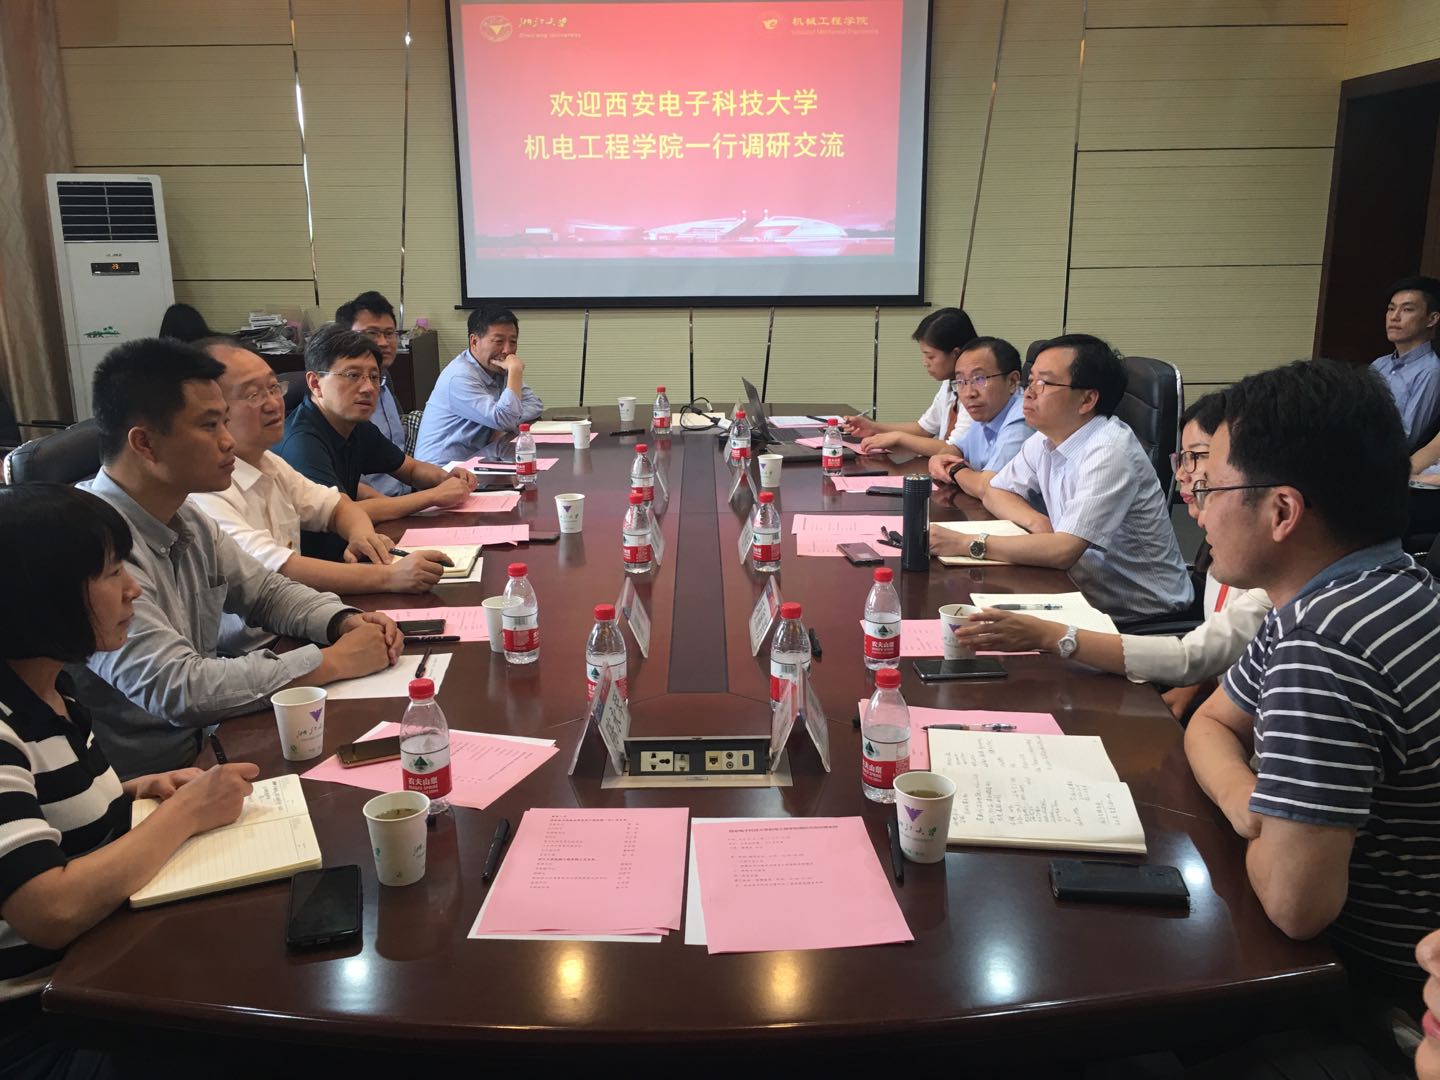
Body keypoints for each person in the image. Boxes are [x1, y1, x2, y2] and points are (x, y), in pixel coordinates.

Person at [1183, 358, 1440, 1011]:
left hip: (1375, 991)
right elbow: (1211, 722)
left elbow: (1294, 907)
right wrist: (1247, 798)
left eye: (1211, 488)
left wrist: (1264, 817)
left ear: (1282, 511)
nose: (1199, 512)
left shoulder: (1324, 647)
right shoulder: (1382, 583)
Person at [0, 484, 261, 1079]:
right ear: (42, 594)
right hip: (45, 1026)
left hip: (98, 971)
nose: (133, 589)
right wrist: (186, 813)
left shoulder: (52, 690)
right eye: (112, 572)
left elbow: (46, 814)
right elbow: (49, 908)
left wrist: (134, 790)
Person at [68, 337, 402, 779]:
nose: (228, 442)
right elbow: (178, 688)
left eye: (225, 421)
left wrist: (342, 621)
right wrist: (333, 661)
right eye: (210, 426)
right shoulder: (91, 545)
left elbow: (265, 591)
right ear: (145, 443)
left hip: (214, 742)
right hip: (153, 782)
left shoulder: (185, 514)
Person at [954, 393, 1271, 720]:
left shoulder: (1264, 575)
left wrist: (1050, 635)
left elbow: (1194, 656)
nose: (1182, 474)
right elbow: (1223, 642)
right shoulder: (1225, 547)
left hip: (1148, 621)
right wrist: (1195, 690)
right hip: (1203, 679)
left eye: (1198, 457)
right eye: (1183, 458)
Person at [930, 334, 1193, 625]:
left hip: (1140, 615)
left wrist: (966, 543)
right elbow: (995, 491)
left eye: (1044, 383)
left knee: (975, 626)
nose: (1029, 393)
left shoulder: (1110, 451)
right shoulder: (1046, 437)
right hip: (1075, 590)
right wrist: (1036, 522)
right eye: (1031, 381)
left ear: (1087, 399)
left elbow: (1063, 551)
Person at [189, 338, 452, 605]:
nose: (273, 403)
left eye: (273, 388)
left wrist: (361, 535)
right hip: (275, 623)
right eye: (253, 395)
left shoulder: (268, 463)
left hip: (304, 610)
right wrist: (389, 577)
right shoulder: (204, 492)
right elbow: (278, 571)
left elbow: (337, 507)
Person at [275, 324, 476, 560]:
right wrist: (433, 496)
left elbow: (410, 469)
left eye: (374, 377)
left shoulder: (355, 426)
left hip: (352, 551)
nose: (368, 388)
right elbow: (344, 513)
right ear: (315, 383)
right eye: (353, 375)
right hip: (319, 568)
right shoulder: (302, 443)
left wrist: (447, 478)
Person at [413, 306, 544, 466]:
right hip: (441, 470)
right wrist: (515, 371)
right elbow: (505, 419)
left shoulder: (498, 369)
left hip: (477, 461)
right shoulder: (460, 376)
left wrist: (502, 424)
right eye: (499, 341)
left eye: (513, 342)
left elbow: (535, 404)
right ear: (474, 342)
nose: (508, 350)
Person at [842, 307, 976, 457]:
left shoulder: (974, 393)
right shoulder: (950, 382)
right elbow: (924, 428)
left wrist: (899, 437)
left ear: (955, 354)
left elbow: (955, 449)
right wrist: (874, 427)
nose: (925, 363)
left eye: (930, 356)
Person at [926, 336, 1031, 499]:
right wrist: (938, 458)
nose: (969, 393)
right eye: (960, 381)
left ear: (1012, 381)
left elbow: (988, 487)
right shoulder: (987, 412)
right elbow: (956, 448)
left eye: (980, 379)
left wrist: (954, 469)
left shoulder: (1023, 418)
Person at [337, 291, 410, 497]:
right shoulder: (342, 399)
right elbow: (346, 483)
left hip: (404, 498)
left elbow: (402, 462)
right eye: (372, 334)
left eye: (389, 333)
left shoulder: (385, 382)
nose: (384, 343)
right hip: (371, 508)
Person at [1372, 275, 1440, 450]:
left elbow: (1407, 438)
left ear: (1432, 319)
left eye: (1407, 309)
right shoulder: (1379, 364)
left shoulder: (1430, 371)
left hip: (1389, 459)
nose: (1394, 317)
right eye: (1391, 309)